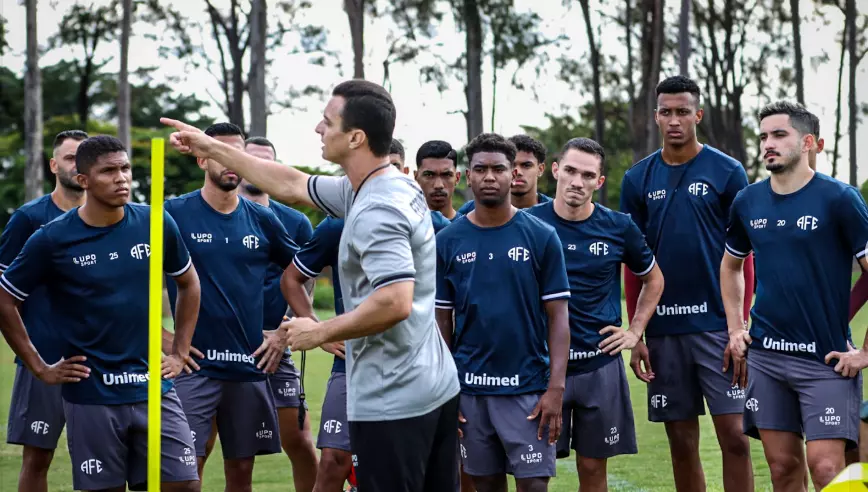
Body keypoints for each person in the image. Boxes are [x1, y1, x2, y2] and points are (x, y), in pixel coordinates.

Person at [161, 79, 461, 491]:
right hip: (433, 384)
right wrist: (210, 147)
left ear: (355, 137)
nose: (318, 129)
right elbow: (290, 183)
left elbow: (395, 301)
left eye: (327, 121)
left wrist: (317, 330)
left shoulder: (377, 206)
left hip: (396, 397)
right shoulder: (379, 185)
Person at [0, 135, 201, 492]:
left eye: (125, 168)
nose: (122, 177)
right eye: (109, 171)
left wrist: (180, 350)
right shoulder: (51, 238)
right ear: (84, 180)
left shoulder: (156, 222)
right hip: (92, 393)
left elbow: (188, 283)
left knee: (183, 485)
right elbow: (5, 299)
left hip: (153, 385)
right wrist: (38, 367)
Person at [721, 100, 868, 490]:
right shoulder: (747, 201)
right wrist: (736, 327)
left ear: (807, 143)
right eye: (764, 136)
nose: (768, 143)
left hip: (826, 359)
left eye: (779, 135)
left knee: (825, 469)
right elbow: (731, 265)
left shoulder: (840, 198)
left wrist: (867, 351)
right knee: (783, 468)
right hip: (766, 359)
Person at [619, 75, 755, 492]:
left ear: (698, 114)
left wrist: (740, 325)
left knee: (735, 436)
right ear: (656, 117)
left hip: (718, 327)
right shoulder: (636, 179)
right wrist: (637, 331)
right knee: (681, 441)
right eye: (666, 112)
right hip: (664, 331)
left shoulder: (727, 171)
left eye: (683, 111)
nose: (674, 120)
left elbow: (744, 256)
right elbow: (632, 264)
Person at [162, 123, 300, 491]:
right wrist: (161, 337)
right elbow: (128, 277)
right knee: (183, 473)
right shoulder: (172, 213)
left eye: (235, 153)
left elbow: (300, 272)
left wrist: (284, 330)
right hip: (194, 366)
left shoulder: (263, 220)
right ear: (202, 158)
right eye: (220, 152)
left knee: (241, 472)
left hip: (248, 365)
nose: (230, 162)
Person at [526, 137, 665, 492]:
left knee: (592, 468)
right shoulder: (526, 224)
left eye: (588, 175)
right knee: (533, 473)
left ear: (599, 182)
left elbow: (654, 279)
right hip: (538, 367)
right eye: (570, 171)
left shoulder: (618, 227)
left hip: (598, 365)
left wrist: (634, 332)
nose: (577, 181)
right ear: (555, 171)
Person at [435, 132, 570, 492]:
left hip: (528, 391)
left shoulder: (541, 236)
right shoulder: (448, 241)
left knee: (534, 487)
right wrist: (446, 390)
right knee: (484, 485)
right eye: (480, 169)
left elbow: (558, 317)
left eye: (499, 168)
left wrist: (556, 388)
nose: (490, 177)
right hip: (470, 391)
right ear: (468, 176)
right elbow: (441, 323)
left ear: (514, 174)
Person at [0, 130, 88, 492]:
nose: (77, 165)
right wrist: (33, 357)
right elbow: (5, 294)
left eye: (84, 158)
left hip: (102, 358)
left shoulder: (113, 217)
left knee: (105, 456)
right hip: (47, 359)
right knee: (38, 458)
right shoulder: (29, 218)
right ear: (54, 165)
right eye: (70, 158)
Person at [237, 136, 319, 491]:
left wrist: (284, 331)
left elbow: (305, 282)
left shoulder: (295, 221)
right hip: (218, 348)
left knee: (300, 441)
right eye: (250, 159)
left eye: (265, 161)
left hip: (275, 346)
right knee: (230, 453)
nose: (257, 167)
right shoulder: (211, 215)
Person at [280, 216, 356, 491]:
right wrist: (319, 330)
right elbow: (292, 278)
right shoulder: (337, 225)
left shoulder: (427, 224)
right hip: (349, 364)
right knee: (332, 460)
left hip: (410, 368)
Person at [457, 134, 551, 214]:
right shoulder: (469, 211)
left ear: (540, 169)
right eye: (512, 165)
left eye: (526, 165)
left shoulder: (555, 211)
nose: (518, 172)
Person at [415, 140, 462, 221]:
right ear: (416, 177)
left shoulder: (470, 230)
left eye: (447, 175)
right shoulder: (404, 229)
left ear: (457, 178)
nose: (438, 185)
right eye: (429, 175)